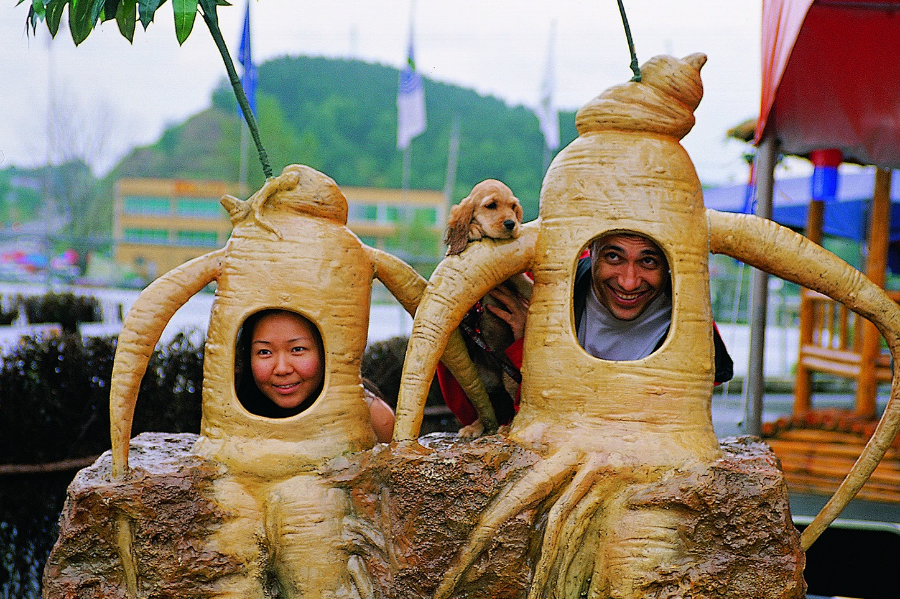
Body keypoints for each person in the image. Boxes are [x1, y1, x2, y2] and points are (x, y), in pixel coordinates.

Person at [439, 231, 732, 427]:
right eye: (613, 257)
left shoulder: (691, 329)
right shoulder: (540, 290)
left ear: (670, 264)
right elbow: (476, 405)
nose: (629, 282)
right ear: (589, 250)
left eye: (648, 261)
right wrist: (527, 343)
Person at [236, 309, 396, 442]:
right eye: (264, 352)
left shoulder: (372, 416)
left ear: (326, 350)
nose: (282, 369)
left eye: (297, 349)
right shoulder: (230, 411)